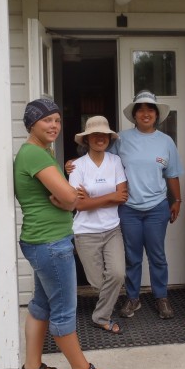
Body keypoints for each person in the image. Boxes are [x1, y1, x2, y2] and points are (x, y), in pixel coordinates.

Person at [13, 98, 117, 369]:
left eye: (57, 121)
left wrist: (65, 198)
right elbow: (72, 198)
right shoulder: (34, 154)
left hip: (40, 241)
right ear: (31, 123)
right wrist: (69, 198)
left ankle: (32, 368)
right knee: (63, 311)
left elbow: (66, 198)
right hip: (50, 243)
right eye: (47, 120)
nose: (54, 126)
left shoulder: (38, 152)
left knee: (40, 305)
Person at [112, 90, 184, 320]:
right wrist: (76, 164)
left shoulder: (166, 142)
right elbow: (105, 164)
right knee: (132, 256)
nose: (145, 113)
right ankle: (133, 298)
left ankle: (161, 297)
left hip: (157, 207)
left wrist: (178, 200)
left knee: (157, 255)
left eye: (150, 109)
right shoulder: (121, 139)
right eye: (140, 109)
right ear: (134, 114)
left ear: (156, 114)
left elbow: (172, 174)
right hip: (129, 208)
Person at [68, 116, 128, 334]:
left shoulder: (115, 161)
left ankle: (101, 317)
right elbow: (79, 205)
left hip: (112, 229)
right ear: (87, 139)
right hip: (85, 232)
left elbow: (123, 196)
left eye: (104, 135)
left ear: (109, 138)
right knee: (97, 281)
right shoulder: (76, 166)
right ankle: (104, 310)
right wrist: (110, 196)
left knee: (118, 274)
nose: (100, 138)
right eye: (95, 135)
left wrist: (93, 200)